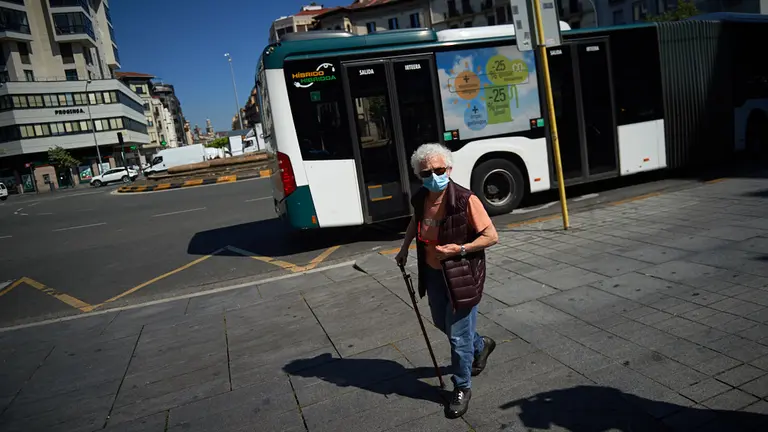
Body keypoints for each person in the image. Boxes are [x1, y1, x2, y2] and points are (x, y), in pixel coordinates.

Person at [395, 143, 499, 418]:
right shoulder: (421, 198)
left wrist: (460, 249)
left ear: (449, 169)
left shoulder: (465, 199)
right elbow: (415, 222)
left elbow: (491, 236)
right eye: (427, 172)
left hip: (461, 274)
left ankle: (462, 387)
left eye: (439, 170)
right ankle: (481, 345)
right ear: (419, 174)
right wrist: (405, 247)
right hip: (432, 273)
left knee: (457, 337)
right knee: (442, 323)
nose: (434, 176)